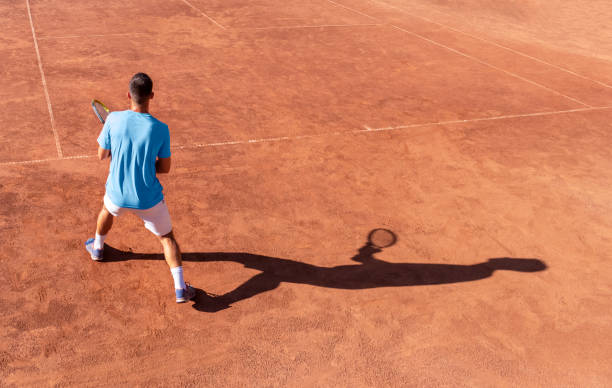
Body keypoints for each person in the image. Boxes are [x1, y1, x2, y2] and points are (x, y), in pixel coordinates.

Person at [85, 72, 195, 304]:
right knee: (167, 239)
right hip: (148, 199)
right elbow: (164, 168)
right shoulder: (161, 128)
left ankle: (97, 248)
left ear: (128, 95)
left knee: (107, 211)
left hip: (116, 194)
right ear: (151, 96)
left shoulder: (113, 119)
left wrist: (120, 152)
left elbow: (101, 155)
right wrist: (143, 163)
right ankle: (179, 289)